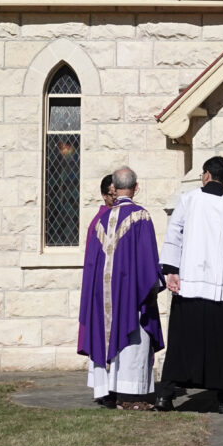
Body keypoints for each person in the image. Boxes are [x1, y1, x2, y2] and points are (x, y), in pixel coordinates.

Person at [154, 156, 223, 414]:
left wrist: (171, 271)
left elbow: (174, 234)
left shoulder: (188, 200)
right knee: (222, 346)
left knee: (181, 344)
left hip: (190, 287)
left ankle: (165, 397)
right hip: (222, 289)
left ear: (207, 175)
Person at [78, 166, 165, 410]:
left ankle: (110, 390)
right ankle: (132, 397)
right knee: (134, 340)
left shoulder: (100, 220)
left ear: (114, 189)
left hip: (103, 295)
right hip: (130, 294)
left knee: (108, 335)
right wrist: (152, 288)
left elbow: (93, 264)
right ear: (136, 188)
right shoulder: (141, 216)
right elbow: (148, 261)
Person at [86, 173, 116, 242]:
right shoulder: (98, 222)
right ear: (104, 195)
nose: (115, 197)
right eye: (112, 195)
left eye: (117, 194)